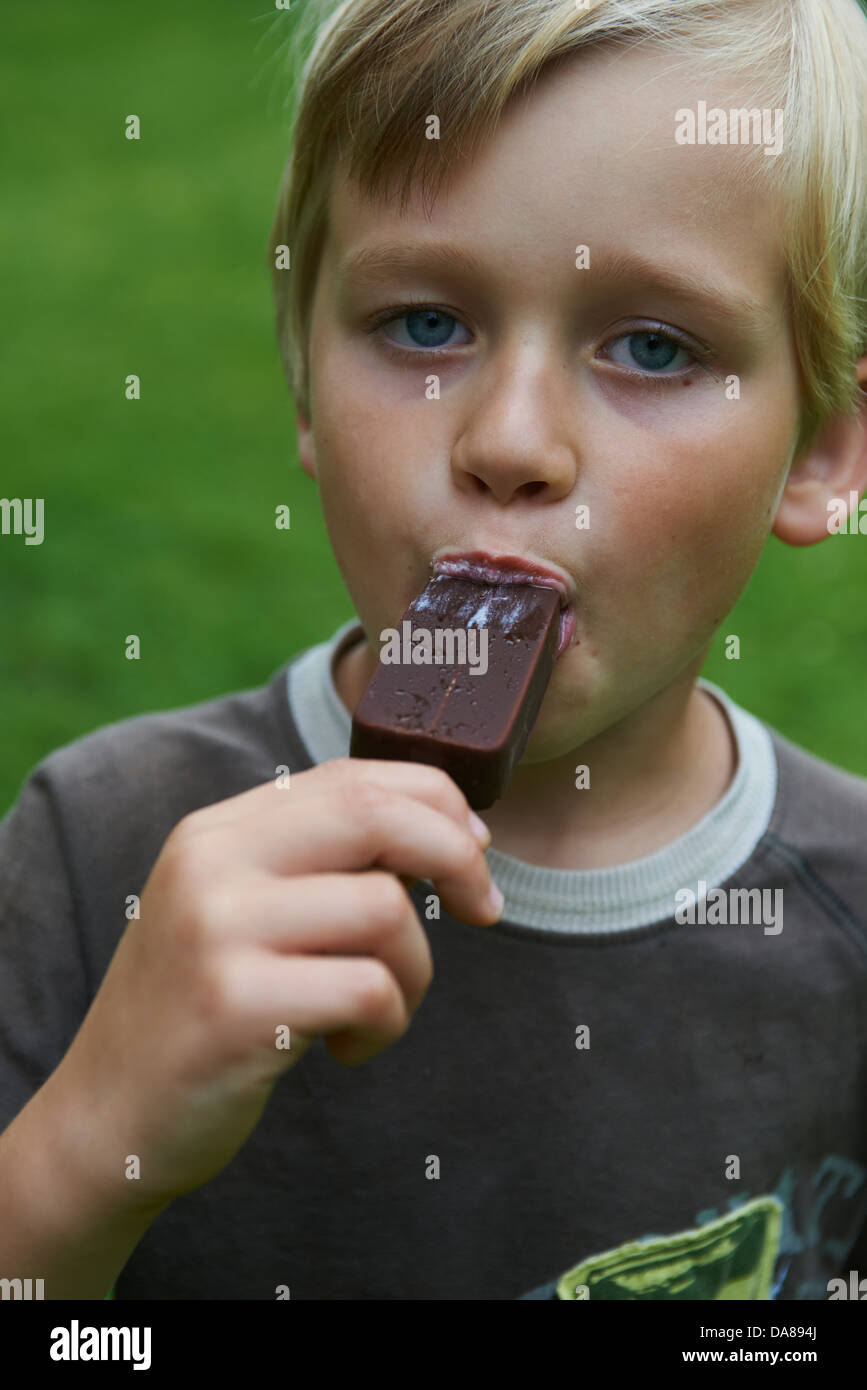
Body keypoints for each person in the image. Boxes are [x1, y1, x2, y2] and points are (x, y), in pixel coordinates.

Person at [1, 0, 866, 1300]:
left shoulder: (849, 925)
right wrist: (83, 1150)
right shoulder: (100, 848)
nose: (511, 442)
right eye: (424, 325)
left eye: (652, 346)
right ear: (304, 377)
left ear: (820, 454)